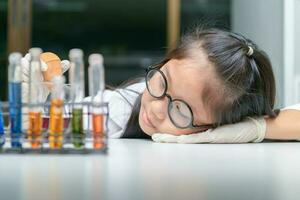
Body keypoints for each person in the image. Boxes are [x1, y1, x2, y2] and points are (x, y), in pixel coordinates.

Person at [21, 27, 300, 143]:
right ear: (165, 61)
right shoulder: (121, 107)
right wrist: (33, 103)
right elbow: (46, 128)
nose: (155, 109)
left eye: (180, 110)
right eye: (161, 80)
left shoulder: (224, 132)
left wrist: (253, 129)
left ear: (213, 127)